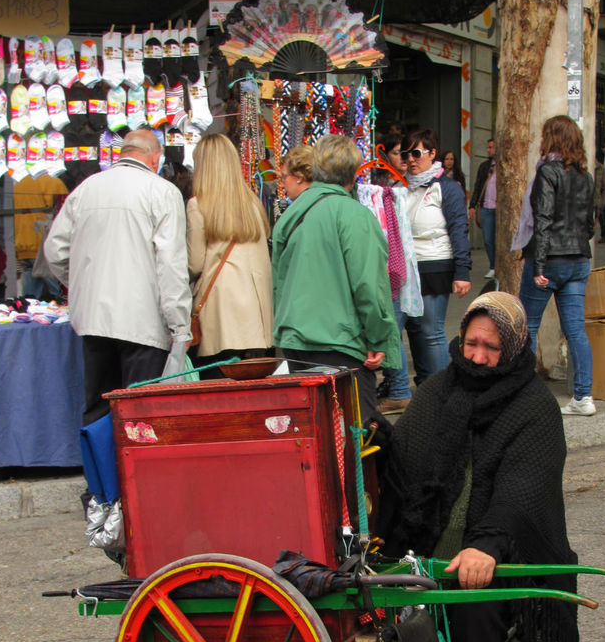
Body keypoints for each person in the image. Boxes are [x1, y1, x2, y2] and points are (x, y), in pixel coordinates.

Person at [373, 292, 579, 642]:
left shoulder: (534, 405)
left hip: (502, 547)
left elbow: (524, 488)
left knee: (473, 592)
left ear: (512, 348)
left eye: (492, 348)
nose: (479, 357)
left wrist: (486, 544)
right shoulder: (439, 389)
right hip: (428, 548)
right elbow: (403, 465)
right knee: (377, 590)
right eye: (471, 344)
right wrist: (377, 443)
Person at [45, 129, 191, 424]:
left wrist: (82, 283)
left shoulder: (86, 189)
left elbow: (54, 251)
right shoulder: (162, 191)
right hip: (143, 321)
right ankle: (136, 472)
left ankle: (102, 471)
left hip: (94, 319)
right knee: (140, 414)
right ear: (155, 158)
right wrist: (180, 326)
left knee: (99, 412)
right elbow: (171, 266)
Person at [271, 134, 401, 420]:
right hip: (339, 344)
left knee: (316, 435)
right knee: (356, 438)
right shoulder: (355, 216)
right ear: (353, 174)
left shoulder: (291, 216)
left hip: (296, 339)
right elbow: (369, 286)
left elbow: (279, 283)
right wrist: (378, 339)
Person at [518, 114, 595, 417]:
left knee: (528, 326)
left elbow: (543, 220)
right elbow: (589, 224)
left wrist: (537, 265)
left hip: (549, 260)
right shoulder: (585, 176)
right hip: (579, 259)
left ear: (551, 139)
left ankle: (521, 395)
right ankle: (583, 396)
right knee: (575, 329)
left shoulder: (547, 172)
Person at [187, 133, 273, 373]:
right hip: (256, 315)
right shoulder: (252, 203)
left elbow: (194, 264)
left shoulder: (198, 204)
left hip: (220, 313)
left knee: (217, 387)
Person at [403, 128, 471, 382]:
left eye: (417, 153)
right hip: (404, 268)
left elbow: (458, 229)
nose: (411, 159)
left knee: (432, 332)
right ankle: (418, 385)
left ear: (432, 154)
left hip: (435, 266)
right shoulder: (400, 186)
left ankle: (442, 389)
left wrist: (462, 271)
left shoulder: (448, 187)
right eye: (407, 153)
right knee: (398, 329)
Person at [468, 138, 496, 279]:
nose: (488, 150)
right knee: (488, 239)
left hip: (499, 209)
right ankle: (492, 266)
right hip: (486, 207)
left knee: (499, 240)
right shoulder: (485, 166)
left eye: (491, 147)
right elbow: (478, 186)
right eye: (488, 147)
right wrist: (472, 205)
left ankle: (498, 266)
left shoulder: (504, 166)